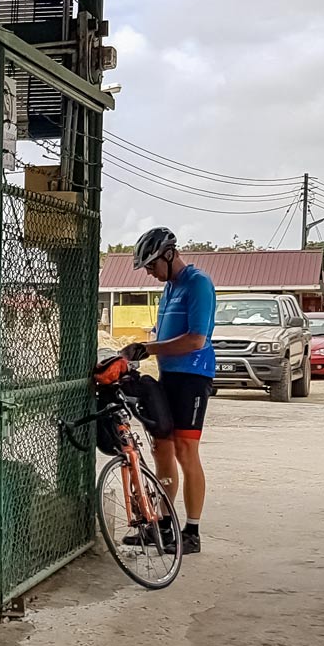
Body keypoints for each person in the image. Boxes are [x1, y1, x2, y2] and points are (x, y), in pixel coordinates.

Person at [118, 227, 216, 555]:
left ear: (169, 255)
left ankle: (192, 531)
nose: (149, 272)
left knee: (186, 451)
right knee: (162, 448)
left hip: (193, 377)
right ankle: (160, 522)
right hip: (169, 376)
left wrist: (148, 348)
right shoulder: (169, 288)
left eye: (151, 265)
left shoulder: (197, 284)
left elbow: (195, 340)